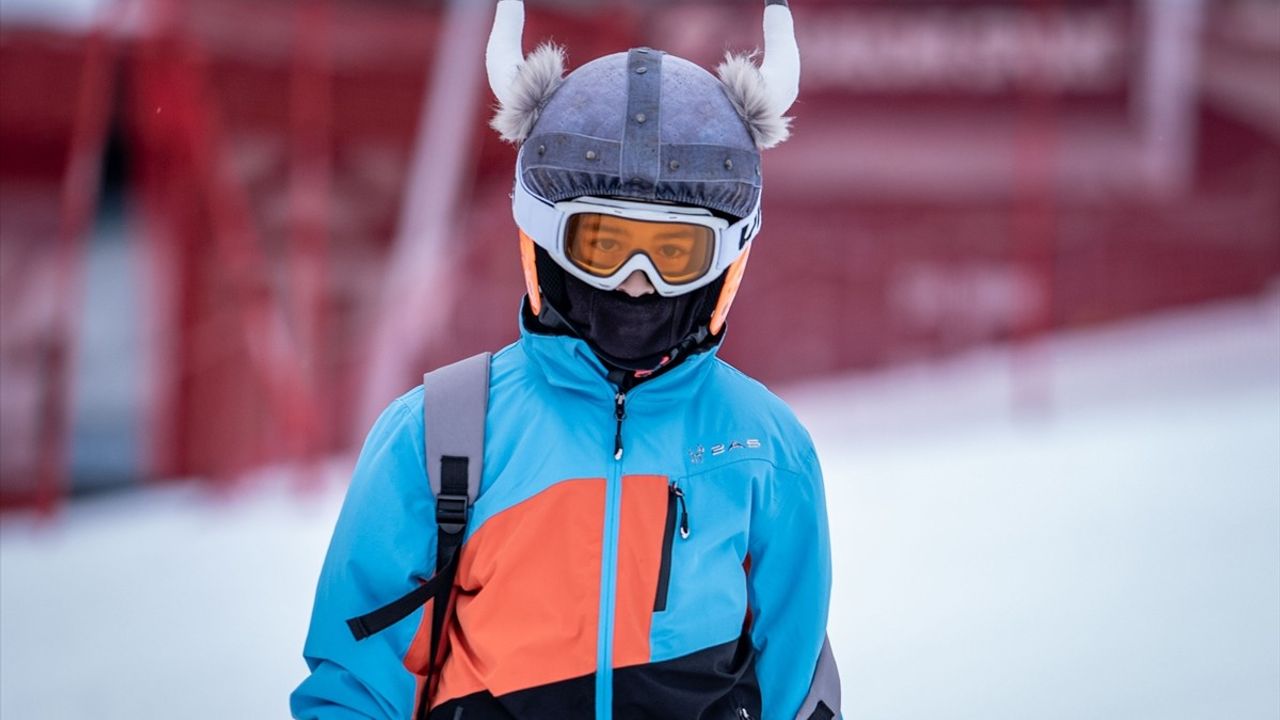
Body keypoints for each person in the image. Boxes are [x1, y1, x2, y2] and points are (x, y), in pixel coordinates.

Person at [291, 1, 840, 718]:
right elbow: (355, 684)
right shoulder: (443, 434)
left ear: (724, 260)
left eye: (675, 253)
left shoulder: (766, 447)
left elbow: (797, 685)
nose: (637, 282)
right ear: (546, 242)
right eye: (604, 245)